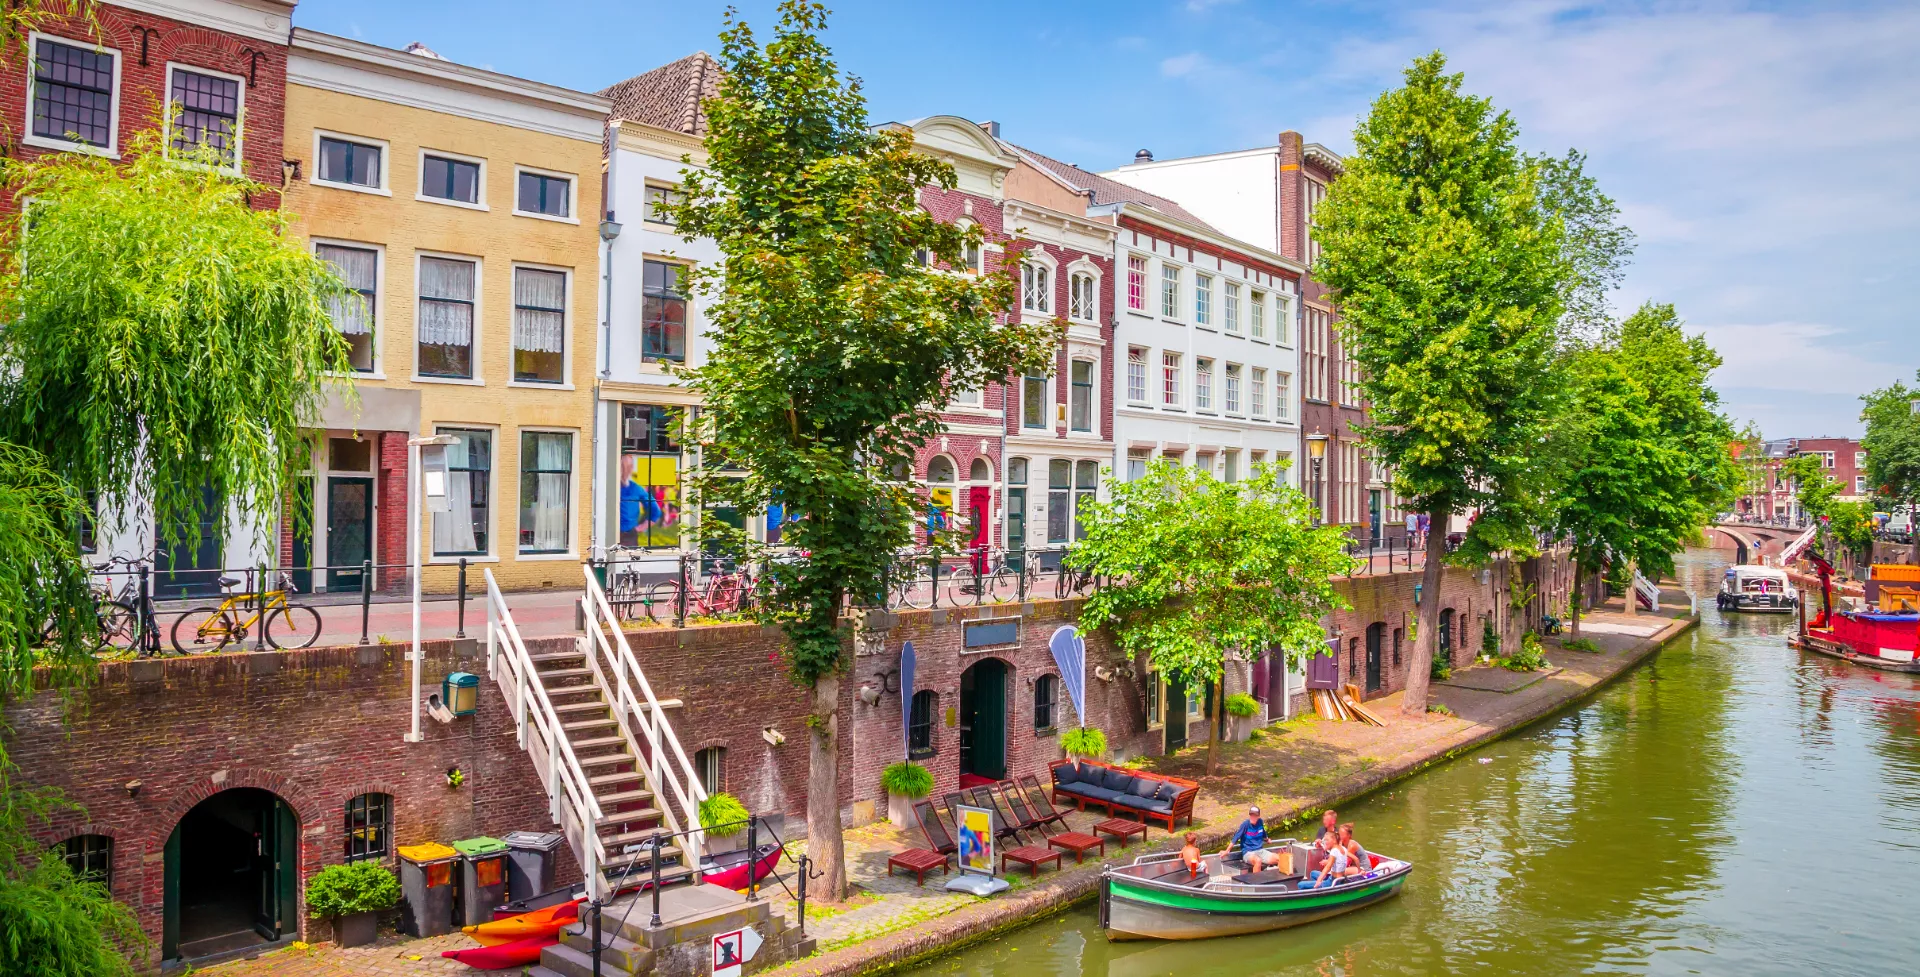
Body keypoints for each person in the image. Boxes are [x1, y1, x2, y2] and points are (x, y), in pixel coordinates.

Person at [1228, 805, 1282, 872]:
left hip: (1260, 851)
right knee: (1258, 861)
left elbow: (1262, 832)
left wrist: (1267, 839)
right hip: (1248, 853)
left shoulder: (1260, 822)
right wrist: (1227, 850)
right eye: (1251, 815)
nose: (1253, 817)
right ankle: (1257, 881)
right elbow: (1236, 838)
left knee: (1280, 858)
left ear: (1258, 816)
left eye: (1255, 815)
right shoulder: (1245, 824)